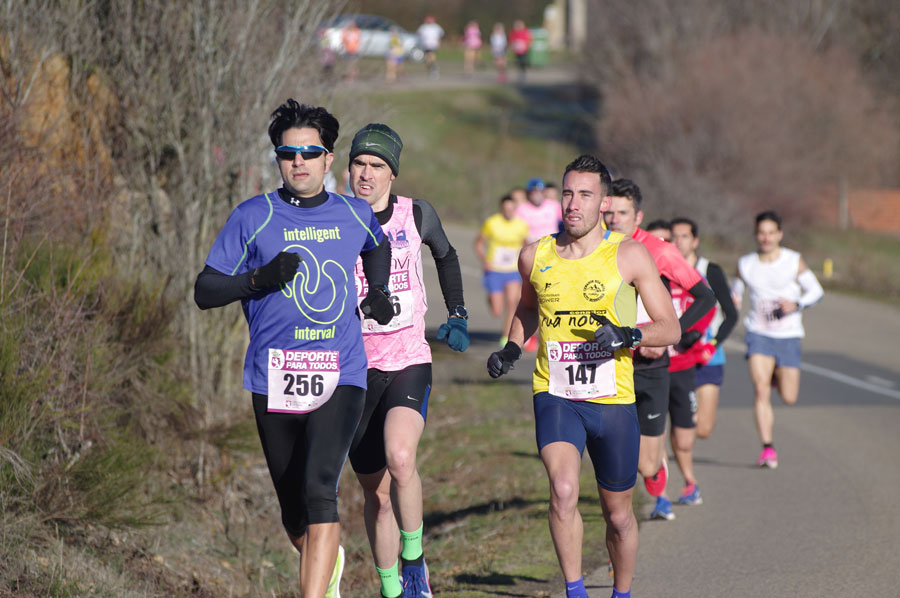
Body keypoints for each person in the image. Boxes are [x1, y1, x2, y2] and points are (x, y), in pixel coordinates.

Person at [194, 99, 394, 597]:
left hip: (341, 370)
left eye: (310, 152)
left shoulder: (354, 212)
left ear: (330, 160)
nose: (298, 162)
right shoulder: (253, 217)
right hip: (273, 376)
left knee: (319, 487)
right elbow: (205, 290)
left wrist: (378, 291)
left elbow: (377, 245)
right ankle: (324, 563)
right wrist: (258, 279)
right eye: (288, 154)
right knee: (292, 508)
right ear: (278, 160)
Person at [487, 155, 680, 598]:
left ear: (604, 202)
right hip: (556, 392)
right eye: (568, 192)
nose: (574, 203)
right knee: (563, 487)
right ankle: (575, 591)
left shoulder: (628, 255)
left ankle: (621, 592)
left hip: (613, 398)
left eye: (585, 195)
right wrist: (512, 349)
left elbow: (670, 326)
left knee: (618, 515)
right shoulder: (535, 255)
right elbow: (528, 309)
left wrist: (628, 333)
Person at [346, 123, 469, 598]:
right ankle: (391, 589)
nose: (367, 174)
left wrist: (457, 311)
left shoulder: (415, 214)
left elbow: (447, 256)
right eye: (360, 163)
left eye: (377, 166)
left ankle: (415, 561)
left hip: (408, 359)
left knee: (401, 458)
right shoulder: (336, 217)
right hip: (353, 370)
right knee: (376, 498)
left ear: (392, 174)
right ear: (348, 167)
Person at [603, 179, 715, 521]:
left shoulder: (661, 251)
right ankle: (616, 523)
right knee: (611, 452)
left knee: (645, 463)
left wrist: (671, 337)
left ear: (638, 216)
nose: (614, 220)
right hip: (608, 362)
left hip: (650, 364)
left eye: (622, 213)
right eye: (608, 212)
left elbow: (706, 297)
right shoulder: (593, 246)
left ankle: (655, 468)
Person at [732, 210, 823, 468]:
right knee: (760, 390)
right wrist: (732, 301)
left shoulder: (794, 261)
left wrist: (797, 303)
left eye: (771, 233)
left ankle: (776, 375)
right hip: (759, 334)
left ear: (780, 235)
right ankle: (767, 448)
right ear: (756, 235)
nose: (766, 238)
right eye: (761, 233)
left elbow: (816, 291)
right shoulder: (746, 264)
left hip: (788, 335)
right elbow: (735, 294)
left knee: (789, 396)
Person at [670, 217, 738, 443]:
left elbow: (732, 314)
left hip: (707, 356)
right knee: (679, 425)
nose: (678, 241)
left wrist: (714, 343)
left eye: (684, 236)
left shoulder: (710, 270)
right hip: (674, 357)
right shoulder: (663, 270)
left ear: (695, 241)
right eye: (674, 236)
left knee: (703, 429)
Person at [475, 194, 529, 346]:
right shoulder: (492, 223)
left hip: (512, 270)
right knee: (497, 310)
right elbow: (478, 243)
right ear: (501, 209)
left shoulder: (521, 225)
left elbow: (526, 245)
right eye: (506, 209)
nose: (509, 212)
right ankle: (491, 298)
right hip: (495, 270)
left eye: (512, 209)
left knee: (512, 303)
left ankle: (506, 337)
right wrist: (485, 260)